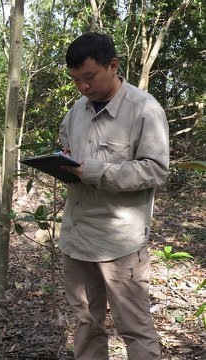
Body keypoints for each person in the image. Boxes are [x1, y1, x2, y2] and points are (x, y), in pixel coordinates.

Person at [58, 32, 169, 360]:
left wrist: (93, 171)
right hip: (77, 237)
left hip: (119, 244)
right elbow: (66, 142)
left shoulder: (144, 109)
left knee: (135, 327)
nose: (83, 87)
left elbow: (154, 170)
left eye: (89, 77)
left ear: (113, 65)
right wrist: (62, 158)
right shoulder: (78, 109)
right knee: (86, 322)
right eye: (76, 80)